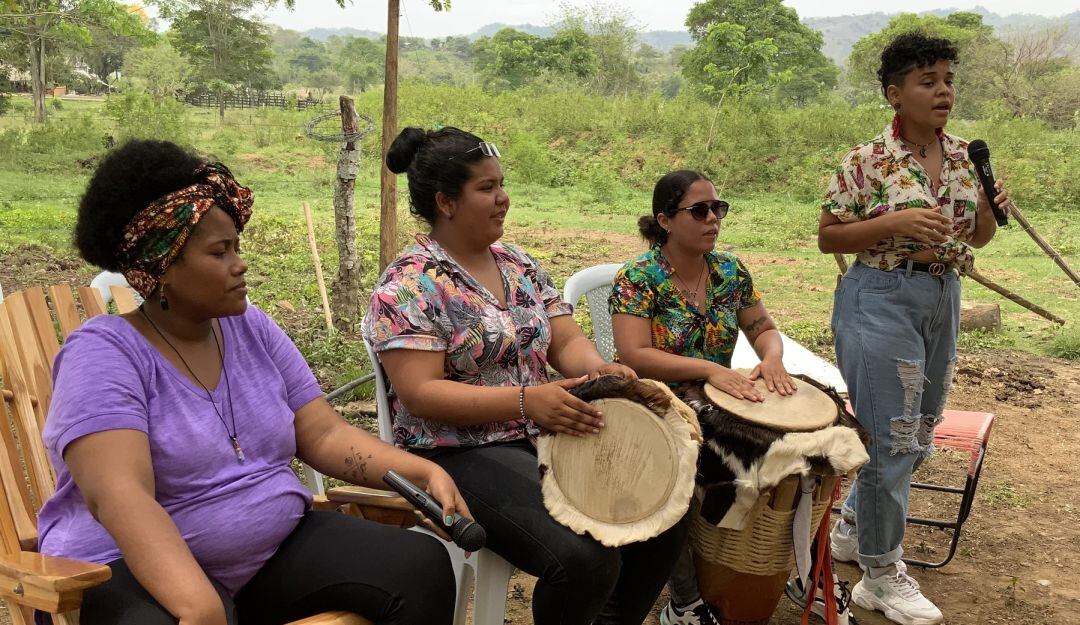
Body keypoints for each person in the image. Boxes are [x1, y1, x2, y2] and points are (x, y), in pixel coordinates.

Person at [37, 139, 463, 625]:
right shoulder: (104, 353)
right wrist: (201, 608)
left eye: (237, 247)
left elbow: (322, 433)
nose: (240, 264)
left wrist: (422, 472)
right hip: (128, 570)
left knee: (418, 567)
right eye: (220, 252)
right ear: (161, 267)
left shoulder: (248, 326)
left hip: (264, 557)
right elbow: (120, 495)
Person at [362, 126, 690, 625]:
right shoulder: (409, 283)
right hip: (457, 452)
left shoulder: (518, 264)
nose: (503, 198)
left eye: (501, 184)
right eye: (487, 188)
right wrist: (525, 402)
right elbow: (420, 393)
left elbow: (565, 340)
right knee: (583, 558)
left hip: (541, 429)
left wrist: (599, 367)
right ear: (446, 203)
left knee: (663, 505)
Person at [818, 33, 1013, 625]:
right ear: (894, 94)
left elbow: (976, 239)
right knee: (890, 439)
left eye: (948, 80)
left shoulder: (961, 156)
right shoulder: (866, 161)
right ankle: (879, 574)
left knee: (921, 432)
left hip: (941, 297)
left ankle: (853, 529)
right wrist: (894, 220)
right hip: (879, 295)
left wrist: (985, 211)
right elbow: (829, 236)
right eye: (928, 82)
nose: (943, 91)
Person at [607, 170, 798, 625]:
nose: (713, 218)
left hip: (716, 394)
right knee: (693, 457)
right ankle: (685, 599)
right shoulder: (639, 277)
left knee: (803, 446)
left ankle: (770, 564)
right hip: (654, 400)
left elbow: (764, 329)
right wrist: (711, 369)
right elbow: (635, 355)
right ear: (665, 221)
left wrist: (772, 358)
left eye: (718, 208)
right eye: (699, 210)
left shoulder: (730, 271)